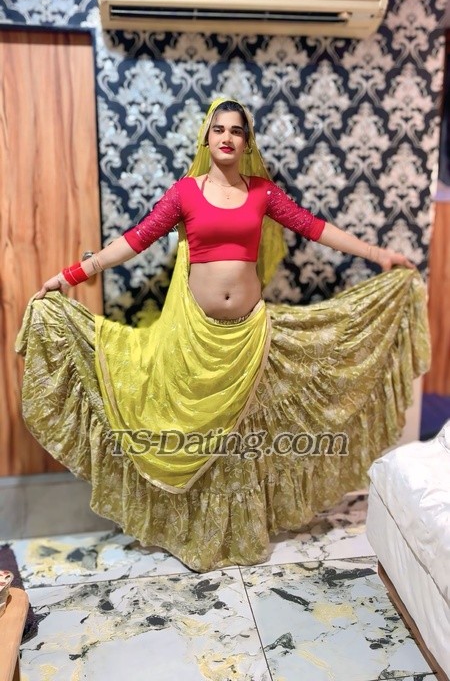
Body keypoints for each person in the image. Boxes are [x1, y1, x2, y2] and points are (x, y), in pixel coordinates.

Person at [16, 98, 430, 572]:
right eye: (219, 129)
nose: (228, 137)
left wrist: (378, 255)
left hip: (250, 334)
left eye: (237, 130)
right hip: (196, 338)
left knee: (236, 448)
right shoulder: (186, 193)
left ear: (246, 142)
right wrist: (70, 275)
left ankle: (237, 533)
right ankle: (192, 532)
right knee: (198, 436)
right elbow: (136, 239)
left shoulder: (262, 192)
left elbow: (315, 227)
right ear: (207, 138)